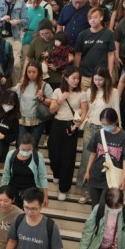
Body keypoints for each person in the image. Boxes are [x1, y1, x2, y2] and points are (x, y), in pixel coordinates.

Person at [75, 67, 120, 204]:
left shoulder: (113, 92)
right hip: (90, 126)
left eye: (100, 79)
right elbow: (86, 109)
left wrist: (117, 131)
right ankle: (85, 189)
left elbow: (116, 112)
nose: (98, 82)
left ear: (106, 79)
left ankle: (99, 189)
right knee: (86, 157)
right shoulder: (90, 91)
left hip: (104, 129)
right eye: (95, 79)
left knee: (101, 160)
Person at [48, 66, 88, 201]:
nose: (76, 81)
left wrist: (76, 125)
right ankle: (56, 173)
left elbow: (84, 111)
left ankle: (63, 189)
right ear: (66, 78)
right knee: (54, 155)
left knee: (68, 158)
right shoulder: (58, 91)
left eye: (78, 78)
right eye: (74, 78)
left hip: (72, 125)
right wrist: (61, 99)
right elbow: (51, 110)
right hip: (57, 124)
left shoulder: (82, 93)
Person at [83, 108, 125, 206]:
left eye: (108, 124)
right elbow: (93, 153)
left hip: (112, 178)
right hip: (96, 175)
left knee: (103, 206)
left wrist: (123, 179)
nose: (105, 126)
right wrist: (87, 172)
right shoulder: (98, 134)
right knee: (95, 207)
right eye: (103, 124)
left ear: (115, 121)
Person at [1, 133, 49, 208]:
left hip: (31, 192)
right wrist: (2, 193)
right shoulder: (11, 155)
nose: (25, 152)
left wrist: (45, 196)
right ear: (18, 146)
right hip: (13, 190)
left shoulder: (38, 156)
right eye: (23, 149)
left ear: (33, 148)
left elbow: (42, 176)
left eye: (28, 149)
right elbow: (6, 176)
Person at [13, 60, 53, 146]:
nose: (31, 74)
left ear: (39, 72)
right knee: (20, 146)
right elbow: (17, 101)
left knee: (33, 147)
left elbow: (52, 103)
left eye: (34, 72)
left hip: (37, 121)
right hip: (22, 121)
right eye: (29, 72)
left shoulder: (45, 85)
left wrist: (42, 99)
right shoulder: (21, 85)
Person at [75, 7, 116, 89]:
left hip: (101, 75)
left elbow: (111, 54)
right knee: (85, 100)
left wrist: (110, 72)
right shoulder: (82, 34)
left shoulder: (108, 34)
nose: (92, 20)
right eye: (90, 18)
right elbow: (78, 54)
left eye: (95, 17)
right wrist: (76, 72)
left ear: (101, 17)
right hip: (85, 75)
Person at [23, 19, 64, 89]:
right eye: (42, 34)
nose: (45, 35)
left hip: (55, 77)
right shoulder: (35, 41)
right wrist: (24, 76)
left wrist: (58, 65)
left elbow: (67, 57)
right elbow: (28, 59)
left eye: (47, 33)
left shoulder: (58, 40)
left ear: (52, 30)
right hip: (39, 78)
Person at [21, 0, 49, 64]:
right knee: (26, 62)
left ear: (41, 1)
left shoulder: (44, 12)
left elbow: (48, 28)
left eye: (38, 2)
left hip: (40, 42)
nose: (36, 4)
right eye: (34, 2)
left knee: (39, 63)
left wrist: (39, 34)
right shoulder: (25, 11)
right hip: (26, 41)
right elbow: (20, 25)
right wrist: (22, 28)